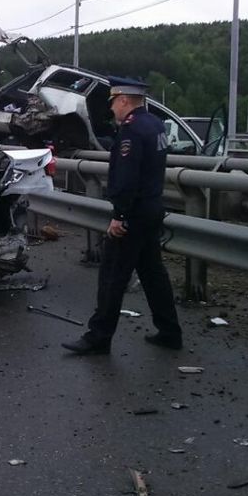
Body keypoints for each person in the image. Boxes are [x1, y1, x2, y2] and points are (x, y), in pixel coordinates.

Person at [62, 77, 183, 356]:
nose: (113, 108)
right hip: (153, 210)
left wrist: (120, 215)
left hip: (134, 214)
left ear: (124, 100)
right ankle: (170, 331)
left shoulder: (130, 131)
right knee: (153, 275)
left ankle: (98, 337)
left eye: (114, 102)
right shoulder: (154, 125)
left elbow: (126, 179)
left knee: (112, 276)